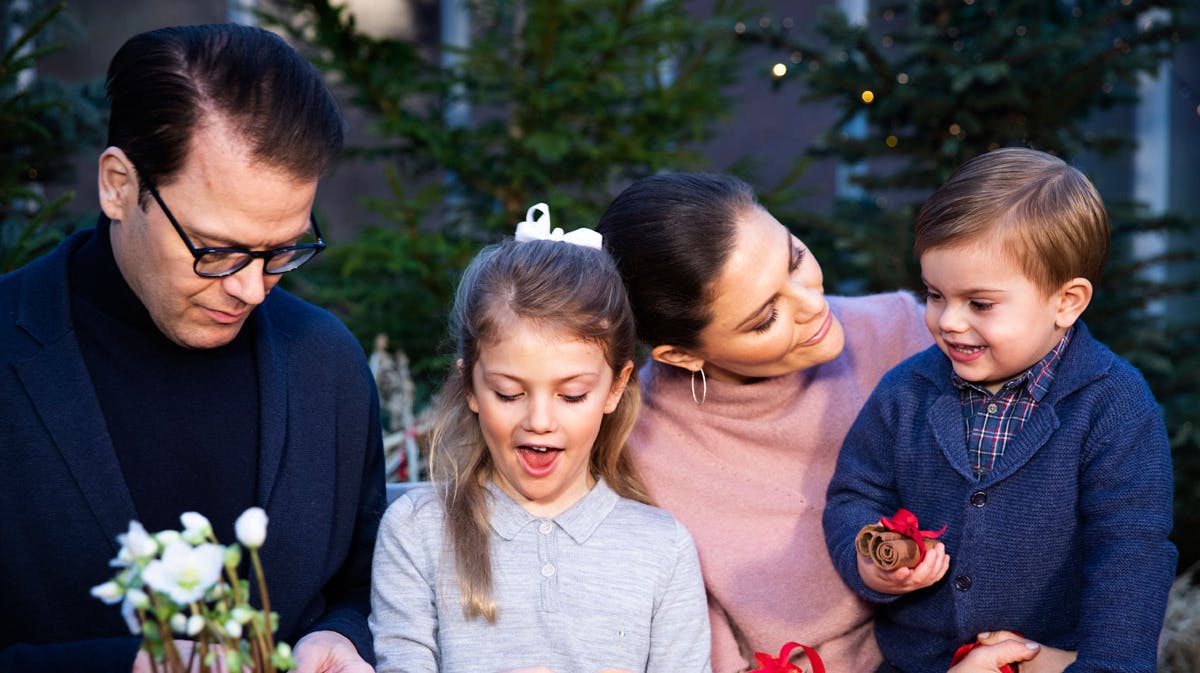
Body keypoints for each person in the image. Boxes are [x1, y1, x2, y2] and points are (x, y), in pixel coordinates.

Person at [0, 24, 385, 673]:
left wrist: (345, 637)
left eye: (283, 249)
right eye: (217, 249)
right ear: (119, 185)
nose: (252, 287)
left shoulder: (328, 362)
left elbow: (365, 582)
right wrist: (117, 666)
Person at [823, 147, 1176, 673]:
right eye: (935, 295)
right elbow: (856, 492)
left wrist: (1108, 664)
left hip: (1050, 658)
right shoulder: (907, 390)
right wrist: (872, 561)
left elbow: (1130, 549)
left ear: (1067, 302)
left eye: (979, 304)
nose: (949, 321)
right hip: (917, 661)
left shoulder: (1113, 405)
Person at [595, 173, 933, 673]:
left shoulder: (907, 333)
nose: (813, 304)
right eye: (765, 318)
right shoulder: (638, 458)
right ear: (682, 355)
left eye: (795, 260)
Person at [369, 205, 711, 673]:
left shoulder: (663, 548)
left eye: (572, 395)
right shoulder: (416, 530)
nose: (540, 420)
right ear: (470, 386)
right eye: (509, 393)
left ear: (615, 386)